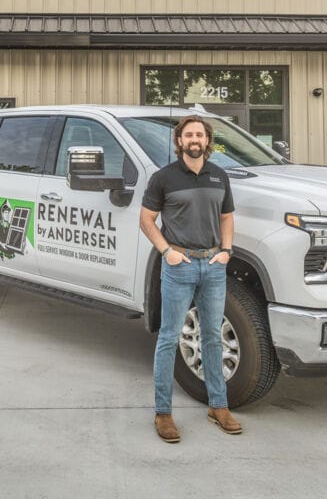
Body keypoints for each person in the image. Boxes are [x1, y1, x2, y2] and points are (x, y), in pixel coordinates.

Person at [139, 115, 242, 443]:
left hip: (213, 265)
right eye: (188, 135)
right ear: (180, 141)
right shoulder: (163, 178)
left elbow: (227, 216)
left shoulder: (219, 176)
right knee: (169, 338)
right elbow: (146, 220)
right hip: (179, 265)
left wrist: (226, 250)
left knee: (212, 336)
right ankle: (163, 413)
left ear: (207, 140)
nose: (194, 139)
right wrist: (166, 250)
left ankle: (218, 406)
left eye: (199, 134)